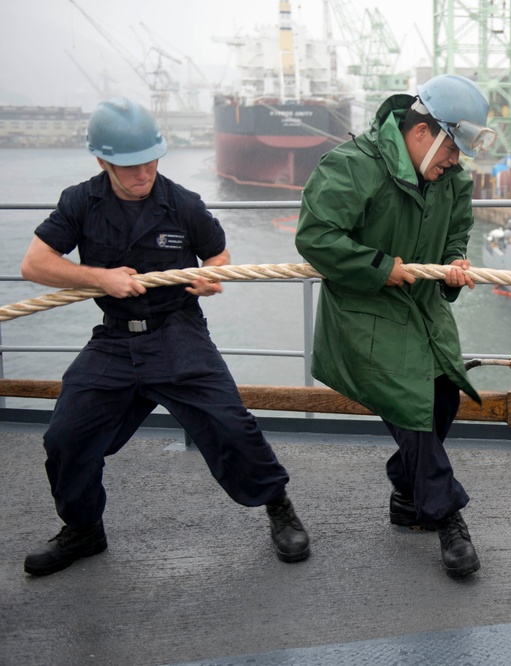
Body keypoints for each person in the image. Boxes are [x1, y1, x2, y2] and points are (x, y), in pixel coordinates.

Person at [20, 98, 310, 576]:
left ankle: (277, 507)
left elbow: (218, 257)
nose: (144, 172)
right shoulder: (80, 202)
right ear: (102, 162)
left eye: (152, 159)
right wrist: (100, 278)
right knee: (65, 438)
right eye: (131, 165)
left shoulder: (182, 204)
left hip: (177, 333)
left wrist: (210, 278)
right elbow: (35, 263)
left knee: (232, 426)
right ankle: (83, 528)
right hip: (114, 340)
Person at [295, 75, 495, 577]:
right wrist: (380, 267)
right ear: (423, 132)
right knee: (414, 413)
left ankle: (406, 492)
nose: (457, 162)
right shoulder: (352, 166)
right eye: (453, 149)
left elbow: (457, 231)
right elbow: (316, 235)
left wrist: (455, 261)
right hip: (368, 314)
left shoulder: (451, 179)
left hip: (424, 310)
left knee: (443, 398)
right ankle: (447, 518)